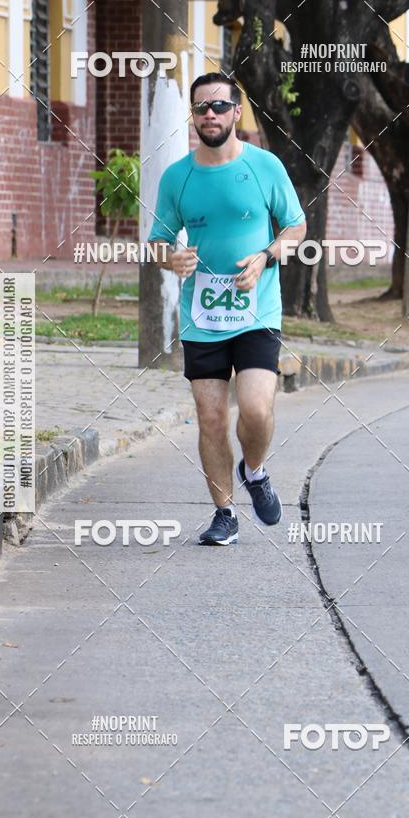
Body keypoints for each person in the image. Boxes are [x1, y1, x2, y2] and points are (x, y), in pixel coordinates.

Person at [148, 72, 307, 545]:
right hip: (203, 317)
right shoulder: (178, 176)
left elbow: (295, 228)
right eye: (201, 108)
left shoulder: (265, 167)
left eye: (220, 106)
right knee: (212, 417)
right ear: (192, 116)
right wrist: (171, 257)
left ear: (237, 111)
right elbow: (156, 240)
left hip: (257, 310)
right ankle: (224, 514)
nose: (210, 115)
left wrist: (266, 255)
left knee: (255, 411)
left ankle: (254, 471)